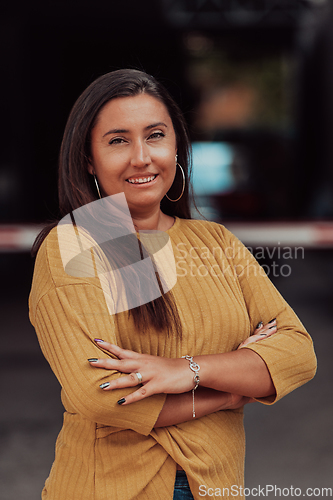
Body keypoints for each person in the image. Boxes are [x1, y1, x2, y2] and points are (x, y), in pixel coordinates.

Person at [29, 69, 317, 500]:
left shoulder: (215, 242)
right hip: (113, 488)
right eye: (118, 140)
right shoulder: (74, 244)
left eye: (155, 135)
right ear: (88, 158)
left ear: (177, 146)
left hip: (218, 484)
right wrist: (229, 390)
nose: (142, 157)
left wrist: (185, 371)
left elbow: (297, 352)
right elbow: (99, 394)